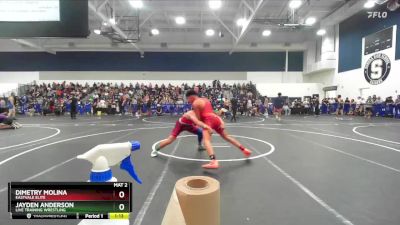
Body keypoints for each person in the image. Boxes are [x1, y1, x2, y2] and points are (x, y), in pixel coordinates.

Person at [186, 90, 252, 169]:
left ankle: (213, 161)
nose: (188, 101)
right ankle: (245, 150)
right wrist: (221, 121)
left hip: (208, 121)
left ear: (191, 97)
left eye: (188, 99)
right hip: (215, 119)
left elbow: (199, 119)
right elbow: (212, 112)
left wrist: (193, 119)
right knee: (227, 137)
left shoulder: (195, 103)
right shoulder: (206, 99)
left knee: (206, 140)